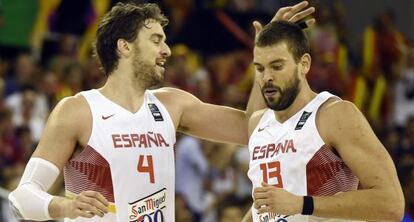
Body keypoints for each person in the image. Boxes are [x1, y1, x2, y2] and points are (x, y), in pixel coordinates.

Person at [8, 2, 315, 222]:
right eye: (156, 40)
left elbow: (254, 130)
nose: (167, 50)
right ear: (124, 47)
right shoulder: (78, 110)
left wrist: (265, 59)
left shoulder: (171, 104)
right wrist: (63, 206)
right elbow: (21, 198)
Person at [242, 21, 405, 222]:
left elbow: (391, 204)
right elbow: (265, 209)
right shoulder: (257, 124)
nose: (267, 77)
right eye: (259, 68)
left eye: (277, 66)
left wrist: (302, 204)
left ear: (304, 64)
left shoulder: (334, 115)